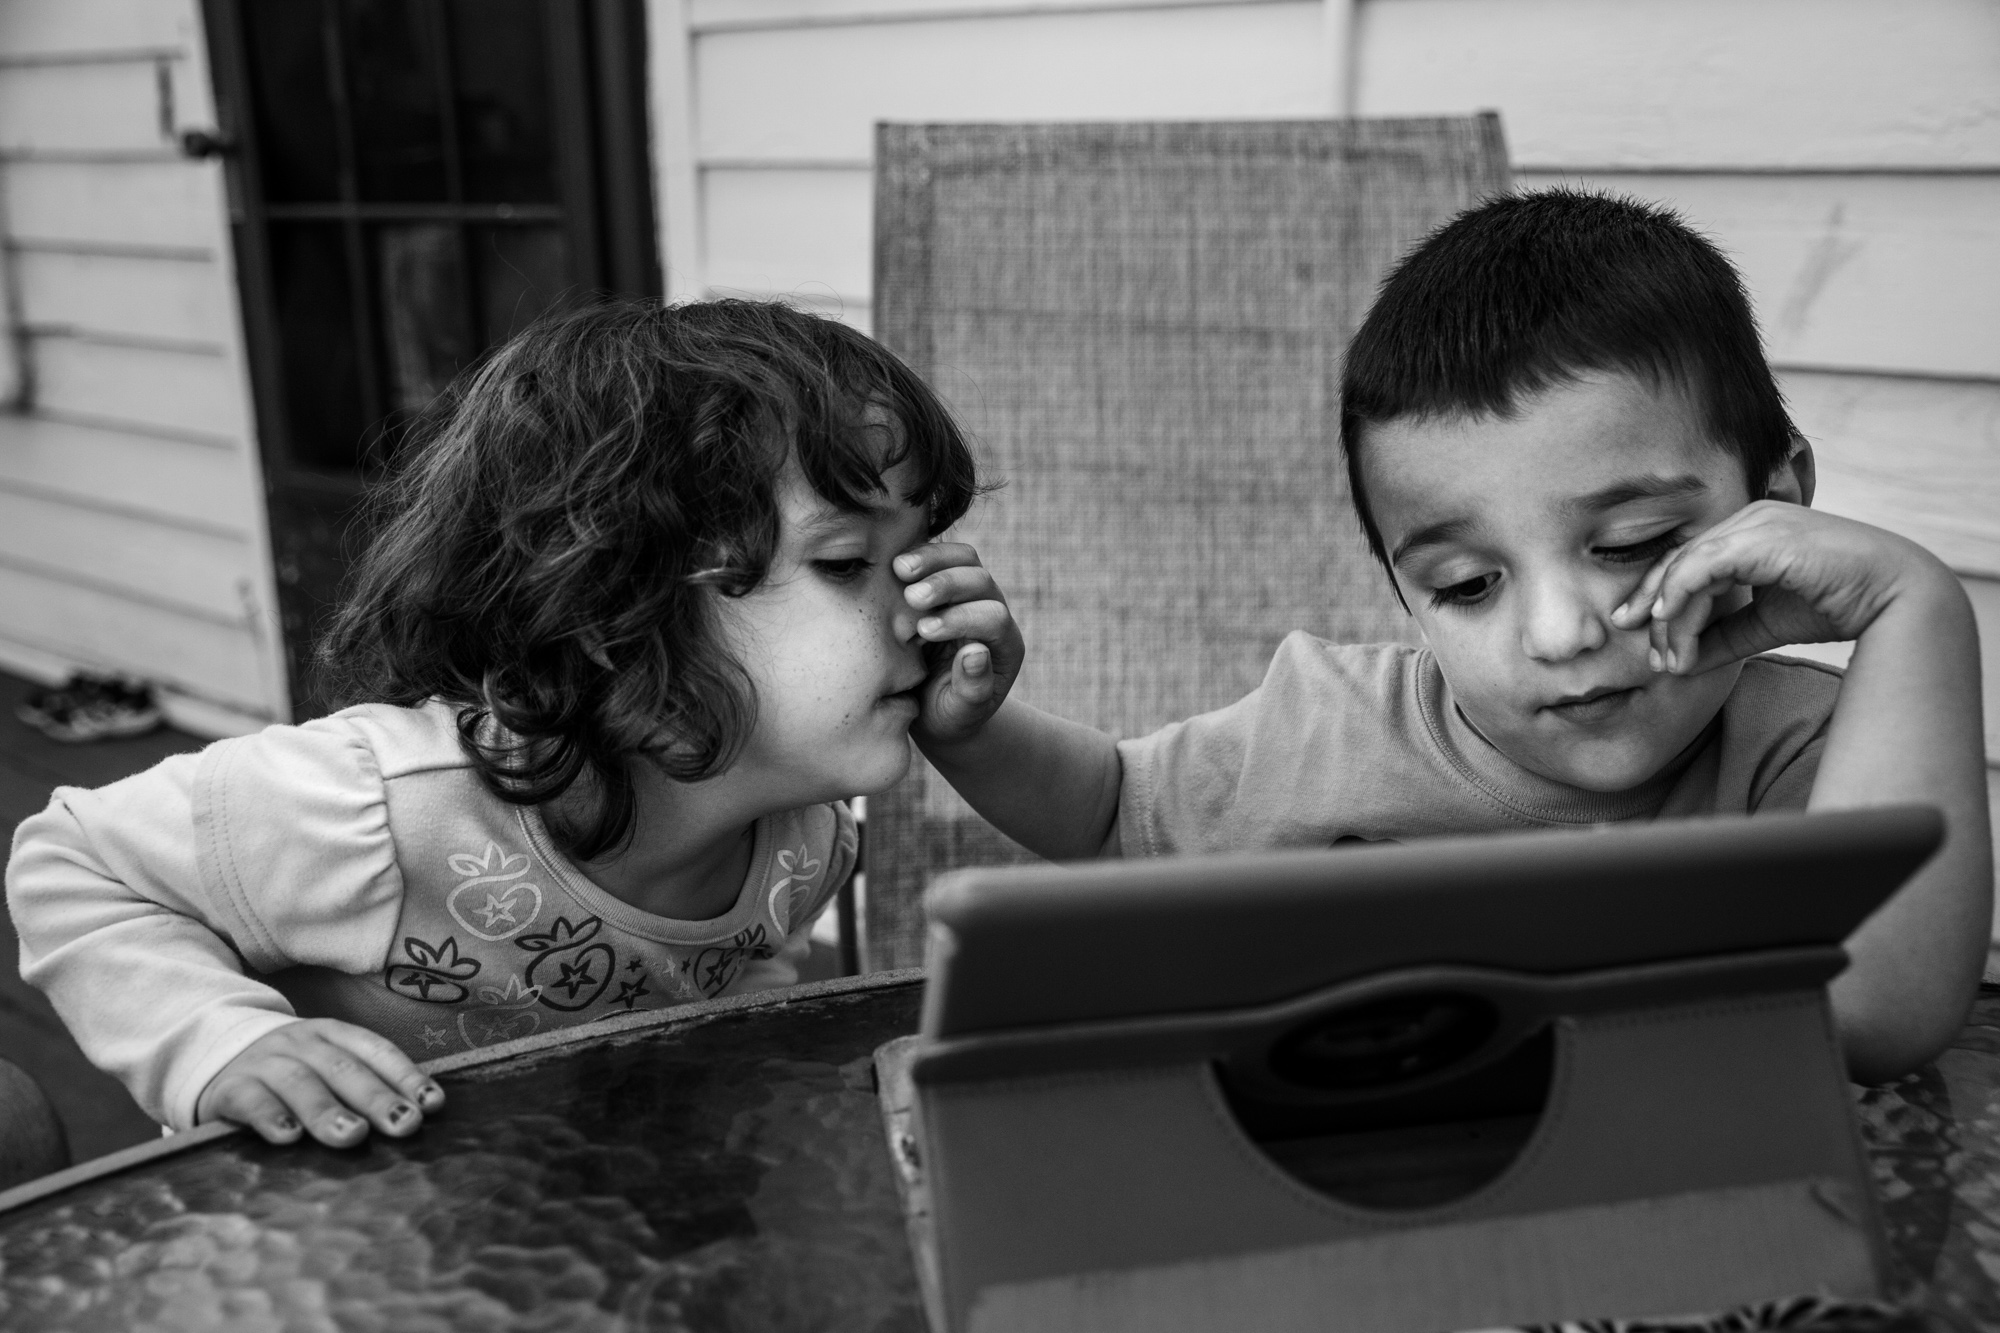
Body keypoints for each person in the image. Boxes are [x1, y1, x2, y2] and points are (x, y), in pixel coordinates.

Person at [895, 188, 1991, 1085]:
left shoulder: (1809, 759)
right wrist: (974, 733)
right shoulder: (1324, 726)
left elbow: (1878, 1018)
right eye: (1467, 584)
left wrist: (1910, 607)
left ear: (1774, 509)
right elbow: (1108, 812)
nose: (1558, 633)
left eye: (1631, 543)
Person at [7, 298, 979, 1148]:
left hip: (540, 1227)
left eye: (919, 551)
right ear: (617, 609)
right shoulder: (381, 809)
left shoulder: (802, 846)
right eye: (849, 561)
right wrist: (222, 1042)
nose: (921, 606)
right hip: (311, 1237)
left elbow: (734, 981)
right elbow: (73, 863)